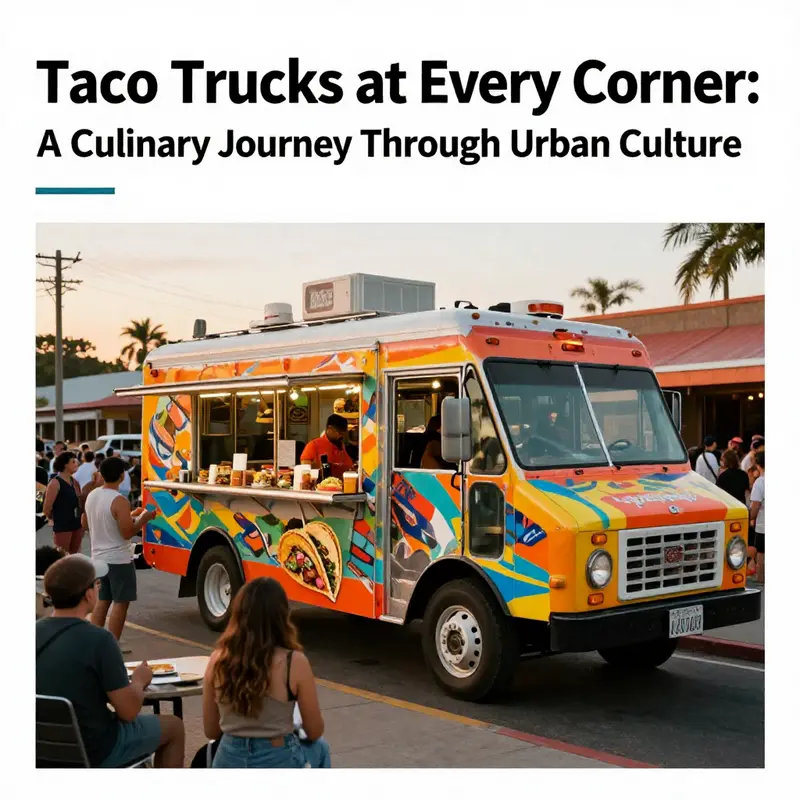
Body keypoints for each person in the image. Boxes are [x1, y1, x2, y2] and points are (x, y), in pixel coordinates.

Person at [36, 554, 184, 767]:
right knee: (174, 727)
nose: (99, 589)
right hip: (95, 751)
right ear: (88, 595)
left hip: (41, 751)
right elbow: (129, 712)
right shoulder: (100, 640)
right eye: (97, 585)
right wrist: (139, 681)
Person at [203, 577, 330, 769]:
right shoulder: (293, 662)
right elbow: (314, 730)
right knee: (321, 748)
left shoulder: (217, 660)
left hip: (229, 757)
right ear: (282, 615)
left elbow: (211, 731)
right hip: (278, 756)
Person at [83, 457, 156, 641]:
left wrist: (130, 515)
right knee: (121, 602)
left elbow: (86, 522)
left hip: (97, 557)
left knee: (103, 600)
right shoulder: (119, 500)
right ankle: (112, 643)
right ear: (122, 476)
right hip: (118, 559)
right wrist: (144, 519)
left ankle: (95, 642)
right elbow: (127, 532)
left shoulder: (93, 495)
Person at [42, 451, 84, 554]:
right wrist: (57, 518)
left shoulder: (75, 482)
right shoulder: (55, 483)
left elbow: (79, 502)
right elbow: (46, 509)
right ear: (65, 464)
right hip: (63, 527)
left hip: (77, 525)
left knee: (75, 558)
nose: (76, 464)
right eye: (73, 462)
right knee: (62, 557)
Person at [300, 413, 354, 481]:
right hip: (321, 488)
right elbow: (305, 471)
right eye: (339, 433)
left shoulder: (345, 446)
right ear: (330, 429)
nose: (341, 436)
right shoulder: (314, 445)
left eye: (344, 434)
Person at [749, 451, 765, 583]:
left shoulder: (760, 482)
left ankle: (761, 579)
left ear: (758, 465)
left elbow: (755, 506)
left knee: (761, 554)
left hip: (763, 525)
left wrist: (749, 518)